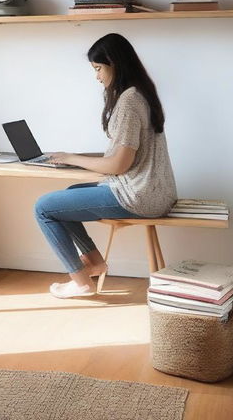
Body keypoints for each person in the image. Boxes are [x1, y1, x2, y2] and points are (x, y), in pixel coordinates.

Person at [34, 33, 177, 298]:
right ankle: (95, 262)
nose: (97, 76)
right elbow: (125, 153)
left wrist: (70, 158)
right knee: (70, 193)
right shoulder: (141, 93)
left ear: (114, 62)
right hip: (156, 192)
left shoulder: (128, 101)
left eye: (98, 68)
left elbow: (119, 165)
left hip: (138, 196)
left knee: (44, 207)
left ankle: (80, 282)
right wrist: (73, 156)